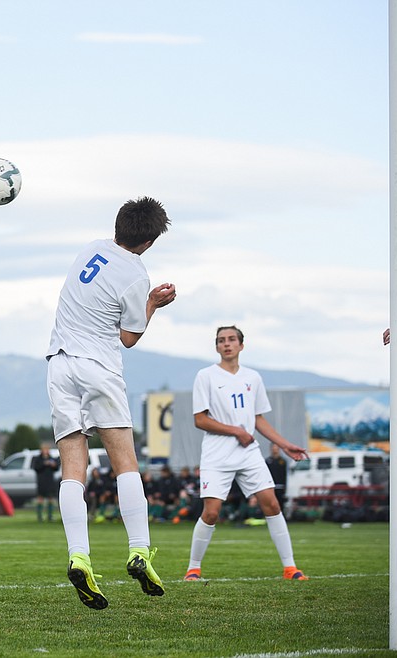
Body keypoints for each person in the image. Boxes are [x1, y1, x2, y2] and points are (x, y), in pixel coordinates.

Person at [46, 195, 176, 610]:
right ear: (151, 241)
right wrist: (153, 303)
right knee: (125, 463)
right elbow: (128, 338)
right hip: (98, 366)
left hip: (58, 365)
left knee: (73, 468)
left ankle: (79, 556)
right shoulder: (136, 275)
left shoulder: (91, 248)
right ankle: (139, 552)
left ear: (118, 225)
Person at [182, 326, 311, 583]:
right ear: (217, 347)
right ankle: (193, 570)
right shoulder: (205, 375)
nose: (226, 344)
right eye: (221, 341)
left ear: (241, 345)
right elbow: (200, 420)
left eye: (231, 339)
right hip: (217, 454)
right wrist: (235, 431)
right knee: (211, 512)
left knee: (272, 504)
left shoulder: (253, 378)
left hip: (248, 452)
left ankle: (290, 569)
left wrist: (285, 445)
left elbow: (258, 419)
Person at [31, 443, 59, 522]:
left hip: (50, 481)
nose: (46, 451)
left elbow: (56, 468)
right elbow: (36, 468)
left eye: (47, 450)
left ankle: (50, 516)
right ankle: (39, 517)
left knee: (50, 498)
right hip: (41, 481)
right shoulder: (38, 459)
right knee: (40, 498)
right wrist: (44, 464)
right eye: (44, 449)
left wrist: (54, 465)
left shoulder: (51, 458)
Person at [266, 445, 289, 510]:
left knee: (280, 504)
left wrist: (285, 487)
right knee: (271, 504)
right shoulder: (268, 461)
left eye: (276, 448)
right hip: (270, 486)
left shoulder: (282, 461)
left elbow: (284, 475)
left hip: (280, 486)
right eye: (273, 448)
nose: (274, 450)